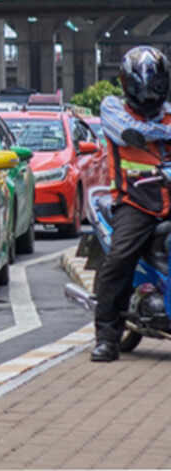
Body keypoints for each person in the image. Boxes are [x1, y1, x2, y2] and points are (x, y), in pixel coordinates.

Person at [91, 45, 171, 362]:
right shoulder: (113, 108)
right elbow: (129, 133)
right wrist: (164, 131)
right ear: (127, 83)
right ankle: (107, 337)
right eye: (142, 84)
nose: (149, 91)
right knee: (120, 259)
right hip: (135, 202)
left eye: (155, 83)